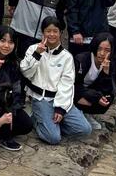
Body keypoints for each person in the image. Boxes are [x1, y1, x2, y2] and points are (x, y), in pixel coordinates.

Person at [20, 17, 91, 145]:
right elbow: (26, 72)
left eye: (55, 31)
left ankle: (52, 125)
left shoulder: (67, 57)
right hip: (41, 98)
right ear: (43, 32)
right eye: (48, 31)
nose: (51, 34)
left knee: (85, 129)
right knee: (53, 138)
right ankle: (36, 120)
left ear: (60, 33)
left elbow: (67, 84)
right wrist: (37, 54)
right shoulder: (33, 49)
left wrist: (61, 109)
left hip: (59, 98)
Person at [73, 32, 116, 130]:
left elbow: (107, 90)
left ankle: (86, 113)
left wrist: (105, 73)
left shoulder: (109, 63)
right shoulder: (82, 59)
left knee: (108, 99)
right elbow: (75, 85)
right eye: (99, 49)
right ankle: (77, 113)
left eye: (107, 50)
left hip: (91, 92)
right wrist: (95, 97)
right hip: (76, 91)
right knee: (91, 99)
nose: (102, 53)